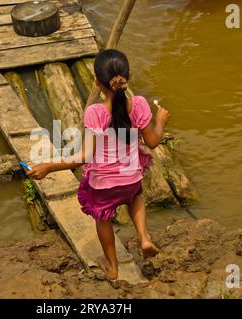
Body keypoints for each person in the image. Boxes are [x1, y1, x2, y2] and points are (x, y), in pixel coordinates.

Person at [26, 49, 170, 280]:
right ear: (128, 76)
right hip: (131, 177)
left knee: (102, 218)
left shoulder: (96, 113)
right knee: (135, 198)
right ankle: (144, 237)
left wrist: (48, 166)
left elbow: (85, 156)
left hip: (103, 184)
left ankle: (112, 267)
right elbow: (153, 141)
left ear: (97, 82)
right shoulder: (140, 105)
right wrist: (160, 121)